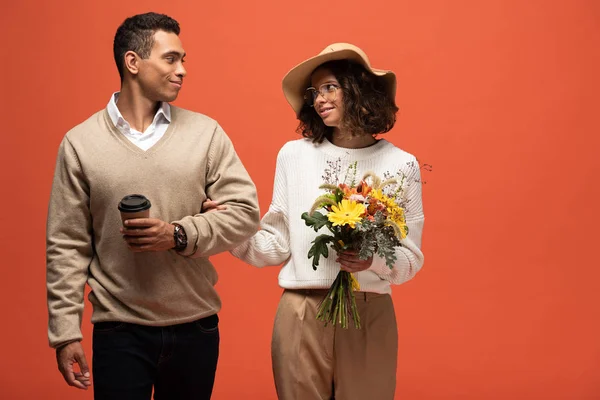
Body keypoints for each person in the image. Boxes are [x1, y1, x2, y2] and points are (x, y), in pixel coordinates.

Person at [46, 12, 259, 400]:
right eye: (171, 59)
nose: (182, 70)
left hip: (196, 326)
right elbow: (66, 244)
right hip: (118, 330)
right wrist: (64, 333)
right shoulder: (79, 144)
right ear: (133, 62)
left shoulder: (206, 133)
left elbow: (246, 214)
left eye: (183, 60)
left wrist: (179, 234)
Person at [205, 43, 425, 399]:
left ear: (358, 90)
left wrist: (374, 260)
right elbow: (276, 244)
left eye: (329, 87)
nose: (318, 99)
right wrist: (229, 227)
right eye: (314, 92)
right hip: (301, 311)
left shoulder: (402, 165)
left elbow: (411, 258)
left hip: (369, 313)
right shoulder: (294, 155)